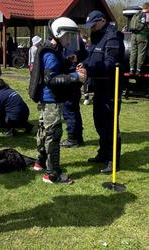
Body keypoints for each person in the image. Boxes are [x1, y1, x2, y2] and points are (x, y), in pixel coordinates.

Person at [29, 17, 87, 183]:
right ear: (58, 33)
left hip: (46, 99)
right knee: (53, 134)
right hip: (50, 99)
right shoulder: (51, 53)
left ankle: (40, 162)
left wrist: (68, 63)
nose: (70, 39)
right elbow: (52, 79)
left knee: (43, 130)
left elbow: (54, 70)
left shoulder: (53, 49)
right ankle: (52, 174)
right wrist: (76, 76)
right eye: (68, 35)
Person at [77, 10, 124, 173]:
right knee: (99, 122)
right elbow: (91, 57)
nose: (92, 28)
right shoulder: (96, 37)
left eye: (94, 25)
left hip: (111, 88)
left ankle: (113, 160)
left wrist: (89, 69)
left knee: (110, 125)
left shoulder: (113, 37)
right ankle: (103, 153)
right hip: (99, 87)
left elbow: (110, 64)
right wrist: (82, 64)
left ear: (102, 21)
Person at [60, 36, 88, 148]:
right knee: (74, 109)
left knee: (69, 108)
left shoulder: (71, 40)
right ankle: (78, 137)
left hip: (71, 79)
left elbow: (71, 60)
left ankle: (72, 138)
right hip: (75, 78)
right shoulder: (76, 39)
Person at [129, 2, 149, 74]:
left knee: (133, 52)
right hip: (142, 35)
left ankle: (131, 69)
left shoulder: (137, 14)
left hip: (133, 35)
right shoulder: (147, 15)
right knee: (141, 53)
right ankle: (138, 70)